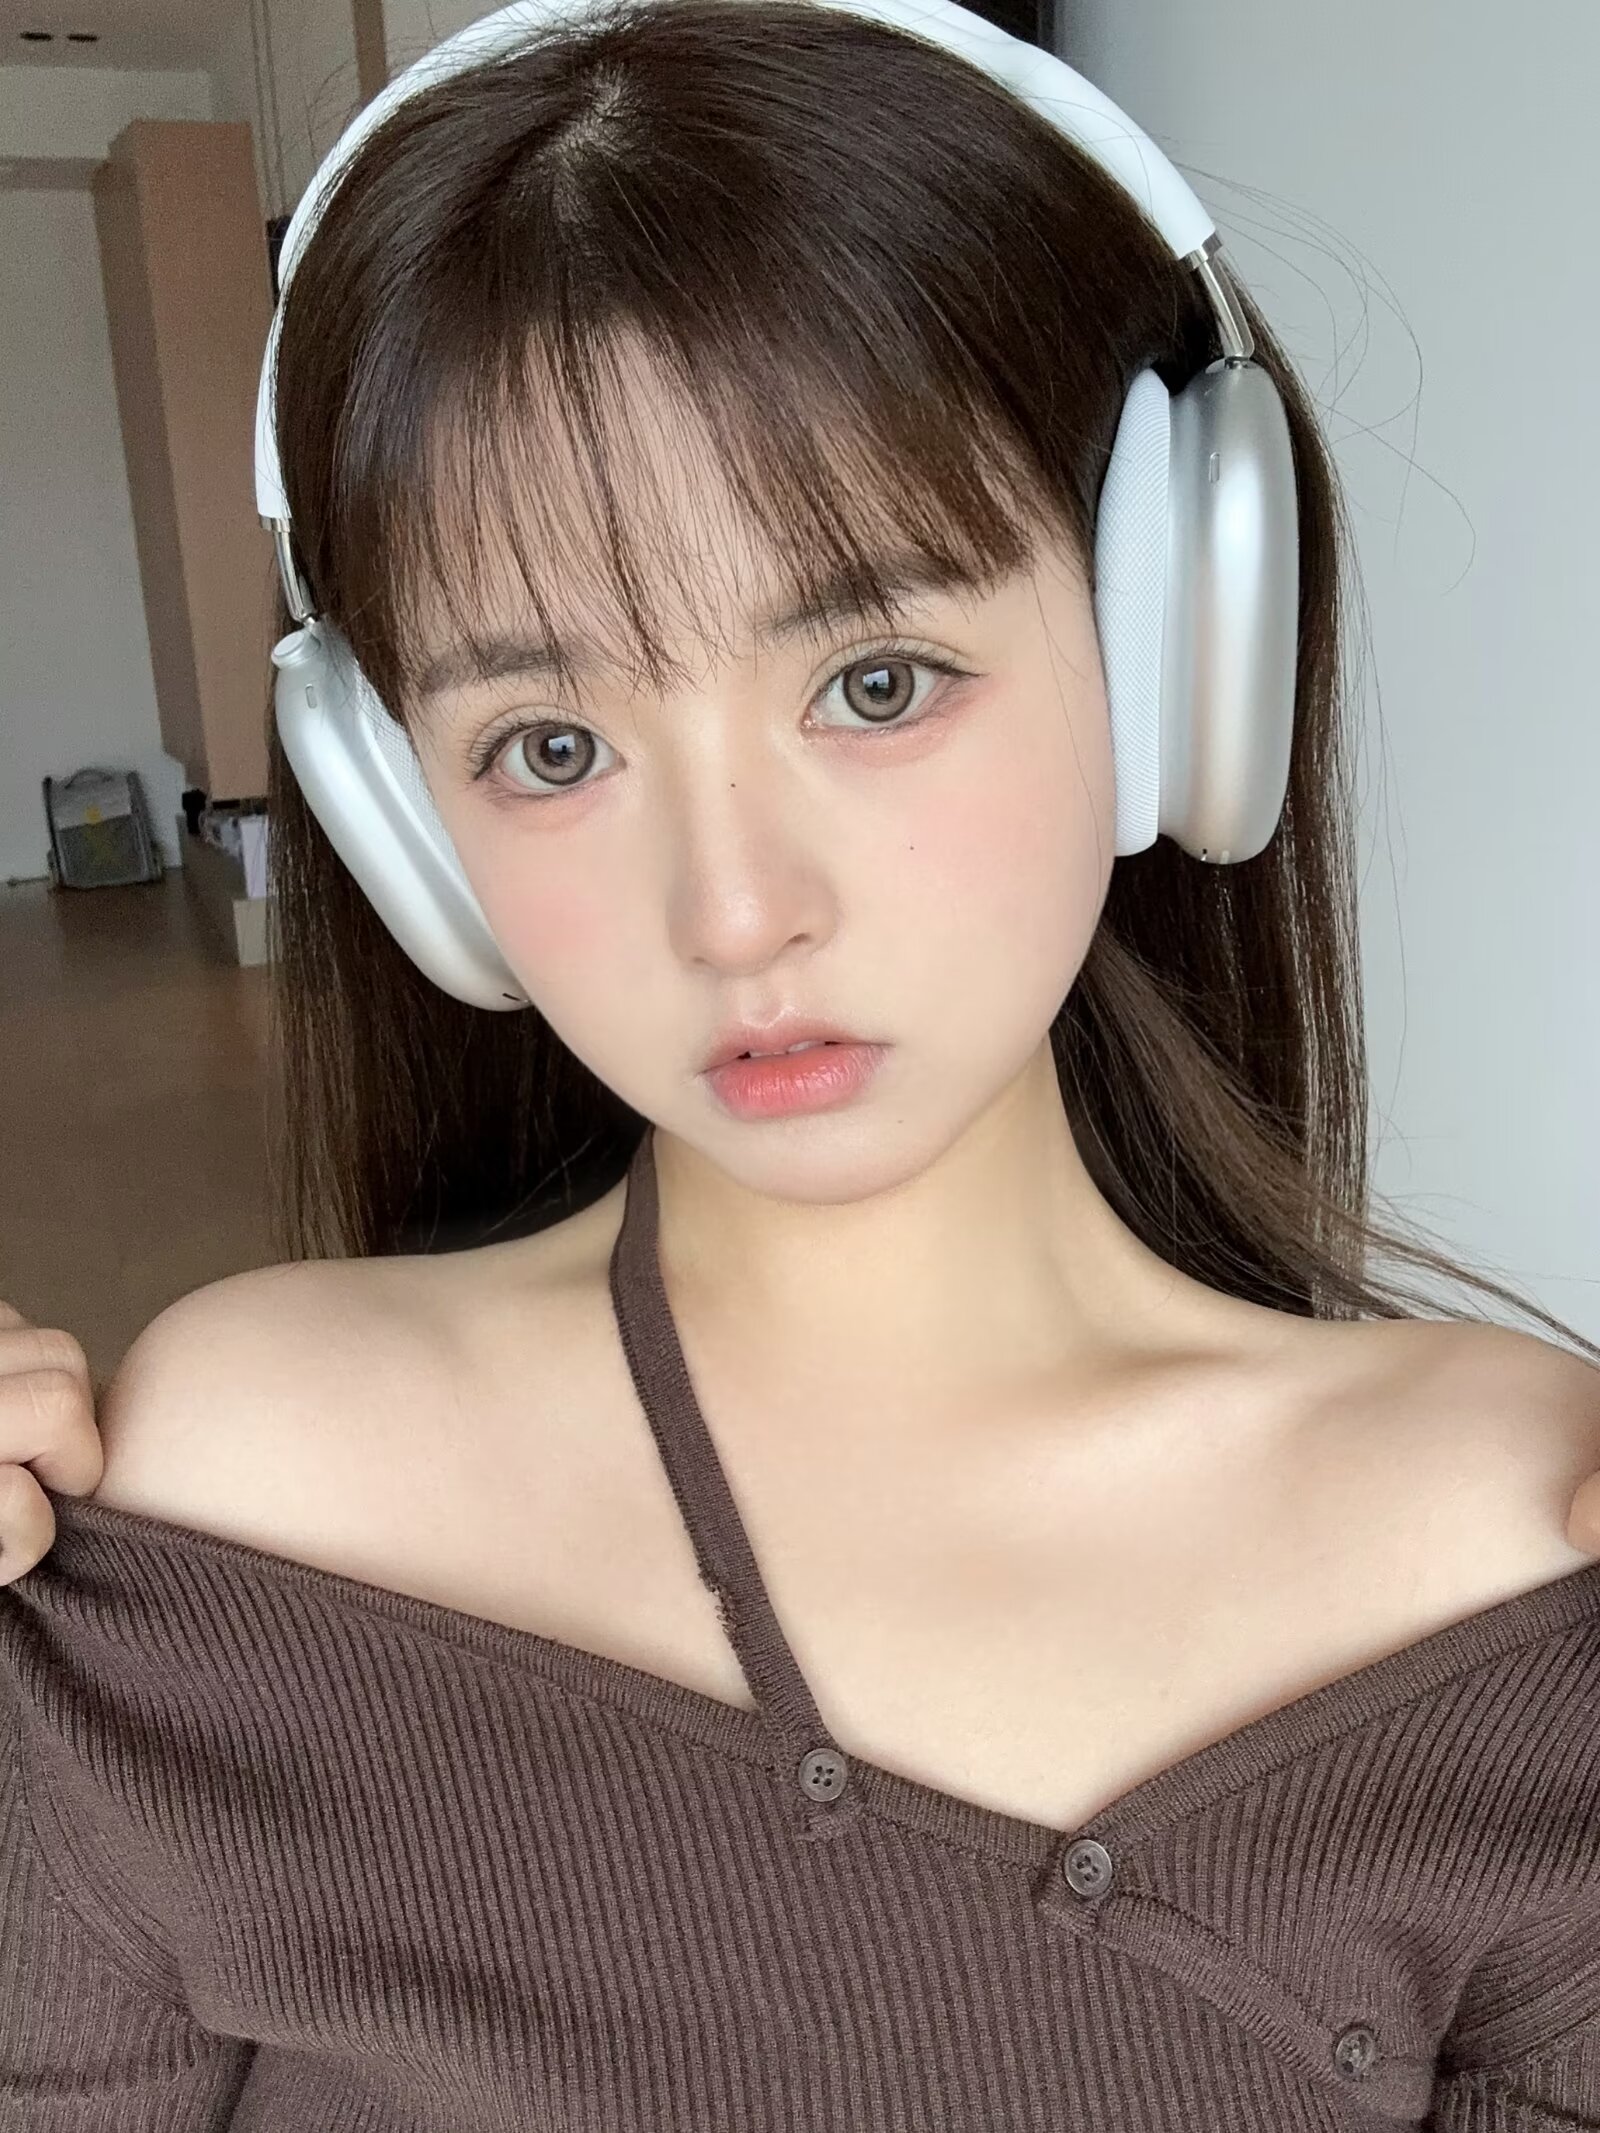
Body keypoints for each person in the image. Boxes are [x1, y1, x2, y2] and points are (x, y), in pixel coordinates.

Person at [2, 0, 1598, 2123]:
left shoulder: (1505, 1558)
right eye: (547, 746)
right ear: (406, 824)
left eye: (876, 680)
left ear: (1170, 650)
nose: (733, 910)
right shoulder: (245, 1473)